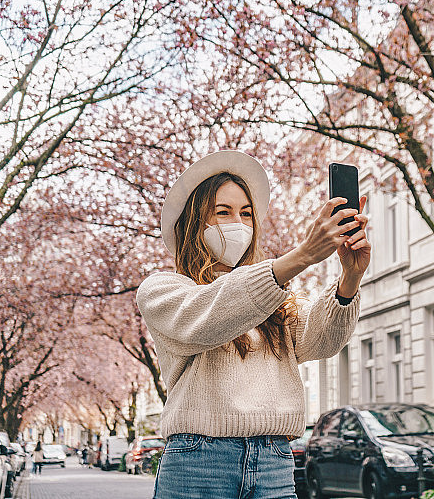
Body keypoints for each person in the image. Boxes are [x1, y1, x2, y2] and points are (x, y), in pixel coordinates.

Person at [136, 150, 371, 499]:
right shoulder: (163, 290)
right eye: (223, 212)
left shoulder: (273, 298)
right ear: (193, 223)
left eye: (246, 213)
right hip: (198, 462)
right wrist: (304, 254)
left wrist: (350, 277)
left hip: (273, 461)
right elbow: (207, 317)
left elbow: (321, 341)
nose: (239, 223)